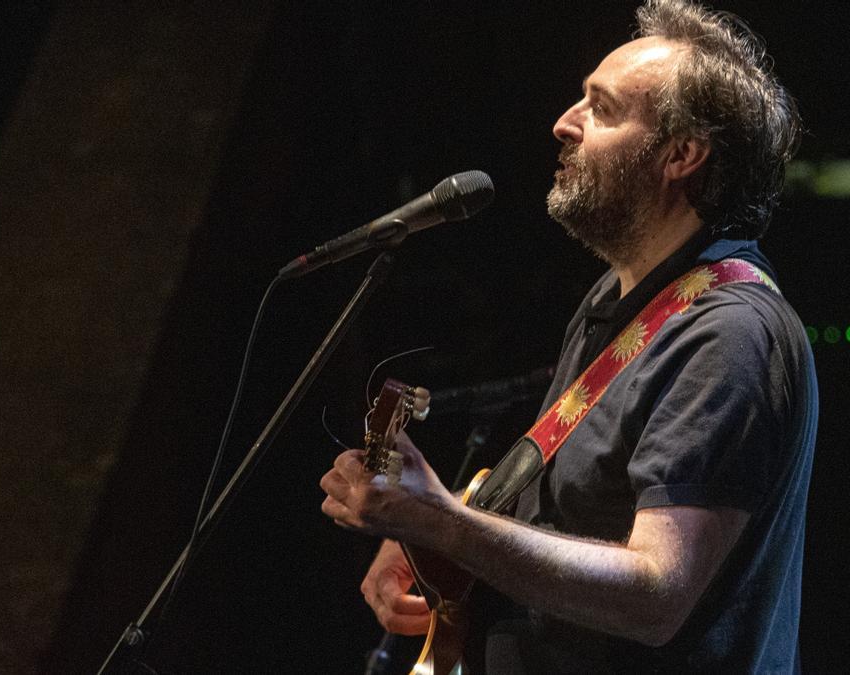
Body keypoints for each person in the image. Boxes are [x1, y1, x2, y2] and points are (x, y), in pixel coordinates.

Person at [319, 0, 817, 671]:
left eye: (602, 108)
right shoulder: (615, 303)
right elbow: (565, 525)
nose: (564, 123)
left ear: (680, 154)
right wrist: (433, 544)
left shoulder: (729, 334)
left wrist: (443, 521)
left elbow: (657, 593)